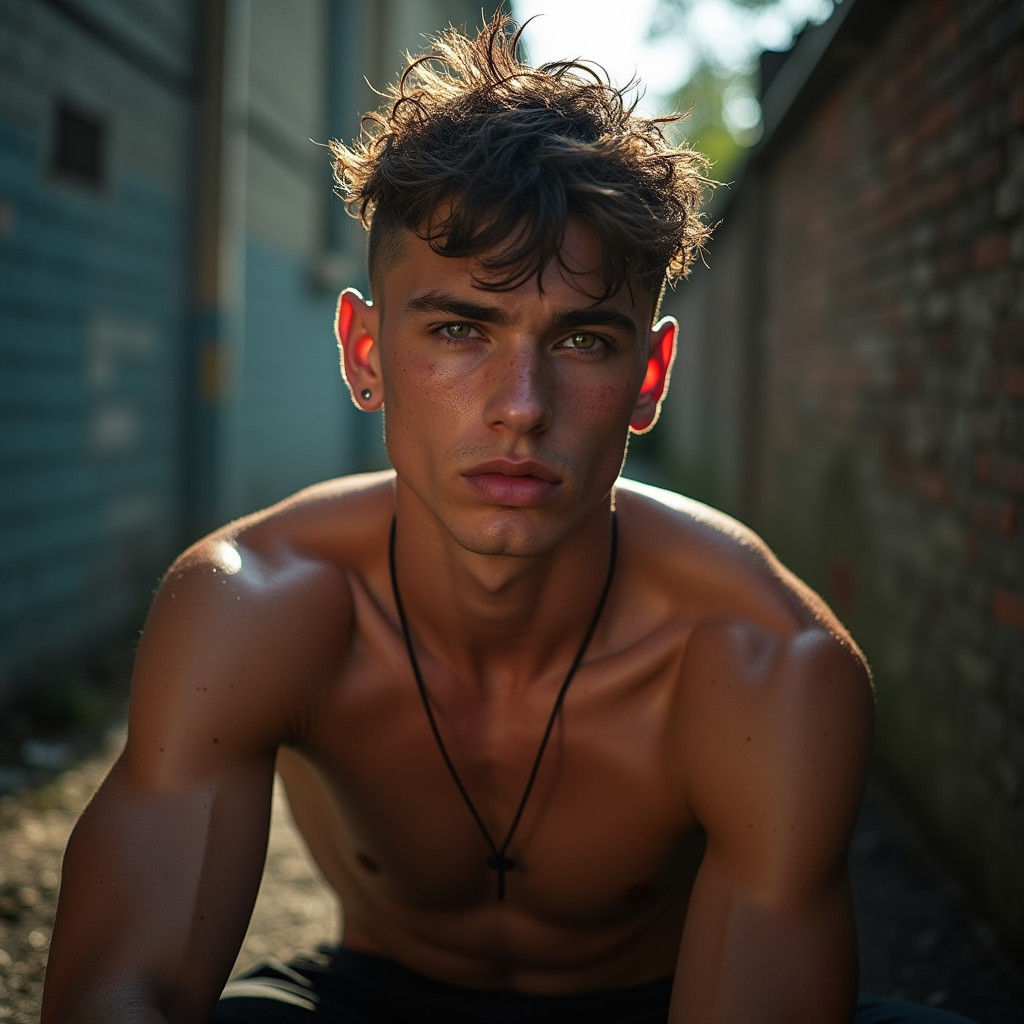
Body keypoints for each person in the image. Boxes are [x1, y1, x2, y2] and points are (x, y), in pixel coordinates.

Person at [42, 11, 973, 1024]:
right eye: (459, 329)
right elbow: (119, 990)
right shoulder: (256, 601)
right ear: (364, 352)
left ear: (649, 375)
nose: (521, 406)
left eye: (581, 341)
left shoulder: (764, 662)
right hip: (367, 1001)